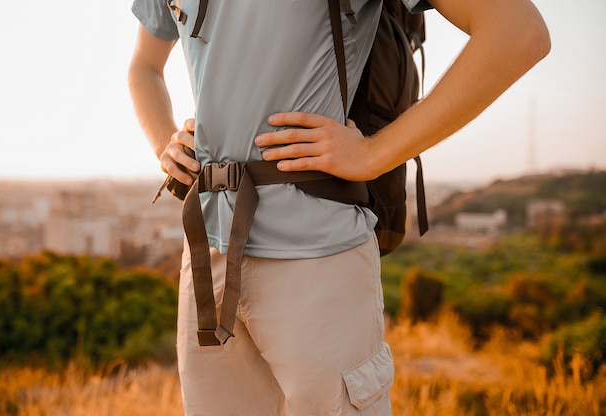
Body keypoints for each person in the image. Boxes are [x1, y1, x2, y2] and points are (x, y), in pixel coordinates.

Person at [128, 0, 550, 414]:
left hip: (319, 260)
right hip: (206, 259)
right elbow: (144, 68)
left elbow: (517, 32)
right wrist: (164, 140)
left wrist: (374, 153)